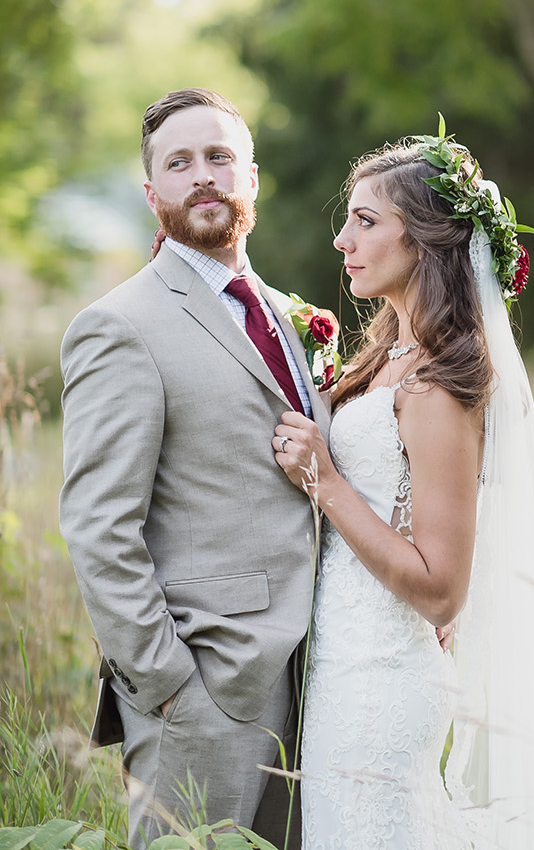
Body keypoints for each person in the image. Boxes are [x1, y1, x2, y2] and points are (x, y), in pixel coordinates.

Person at [273, 124, 534, 849]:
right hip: (342, 670)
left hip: (380, 688)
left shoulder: (435, 386)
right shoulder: (388, 358)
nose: (342, 241)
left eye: (364, 221)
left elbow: (440, 587)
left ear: (422, 238)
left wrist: (325, 481)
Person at [59, 88, 332, 849]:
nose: (202, 175)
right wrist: (166, 683)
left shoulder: (284, 313)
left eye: (219, 157)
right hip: (202, 690)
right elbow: (98, 525)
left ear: (252, 177)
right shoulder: (120, 326)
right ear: (153, 193)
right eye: (179, 163)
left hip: (317, 681)